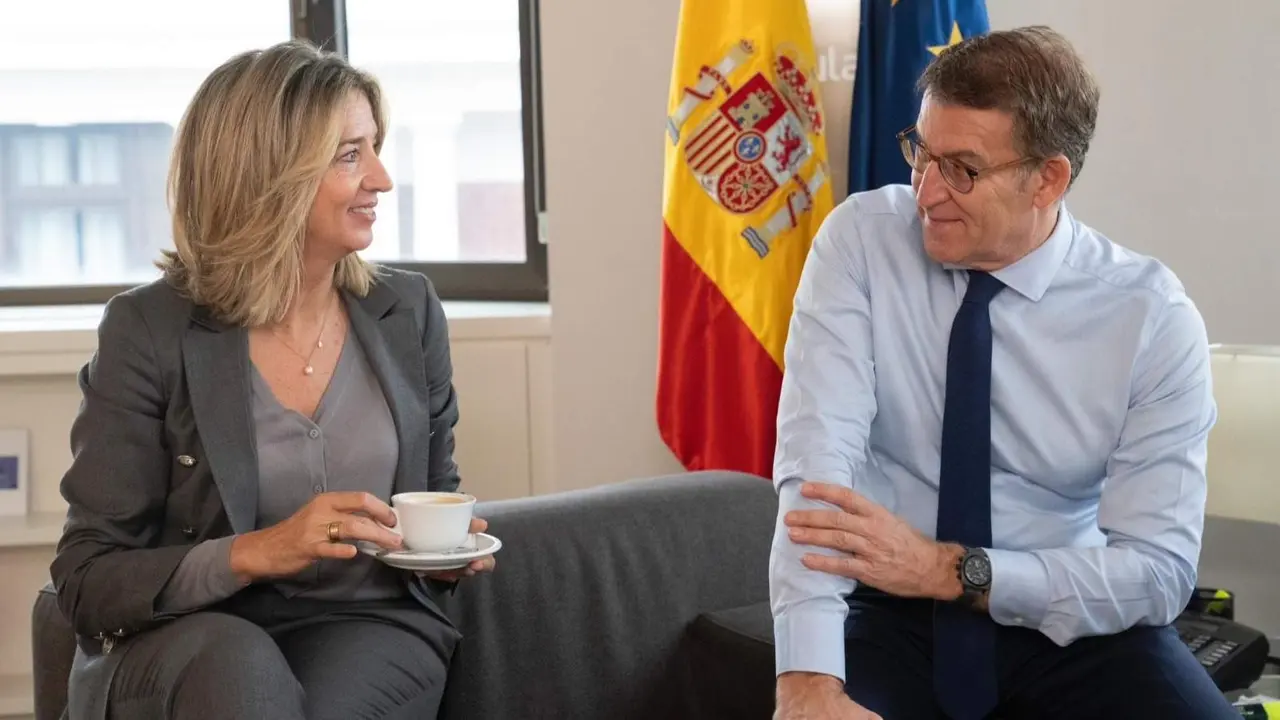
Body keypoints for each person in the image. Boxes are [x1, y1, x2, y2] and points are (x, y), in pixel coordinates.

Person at [769, 26, 1237, 720]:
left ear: (1047, 179)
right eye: (920, 153)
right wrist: (807, 682)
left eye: (961, 168)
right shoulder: (861, 243)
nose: (925, 192)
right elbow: (817, 476)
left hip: (1064, 614)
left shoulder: (1151, 318)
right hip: (887, 607)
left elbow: (1158, 572)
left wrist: (948, 570)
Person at [49, 40, 494, 720]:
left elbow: (432, 495)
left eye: (375, 148)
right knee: (238, 670)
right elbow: (87, 579)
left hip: (366, 624)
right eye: (350, 155)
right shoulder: (147, 329)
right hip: (188, 636)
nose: (381, 179)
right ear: (269, 176)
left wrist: (441, 553)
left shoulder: (409, 312)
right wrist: (257, 552)